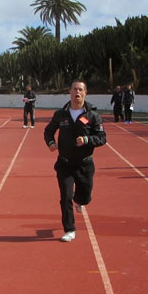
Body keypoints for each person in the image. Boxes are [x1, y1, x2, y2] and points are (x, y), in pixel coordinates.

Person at [43, 80, 107, 242]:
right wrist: (51, 143)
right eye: (74, 89)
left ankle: (81, 201)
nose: (77, 92)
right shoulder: (61, 114)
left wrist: (86, 140)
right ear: (70, 92)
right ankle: (69, 229)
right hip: (65, 163)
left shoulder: (92, 116)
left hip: (85, 164)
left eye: (81, 90)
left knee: (84, 196)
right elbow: (48, 131)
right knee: (65, 196)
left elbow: (102, 138)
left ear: (85, 93)